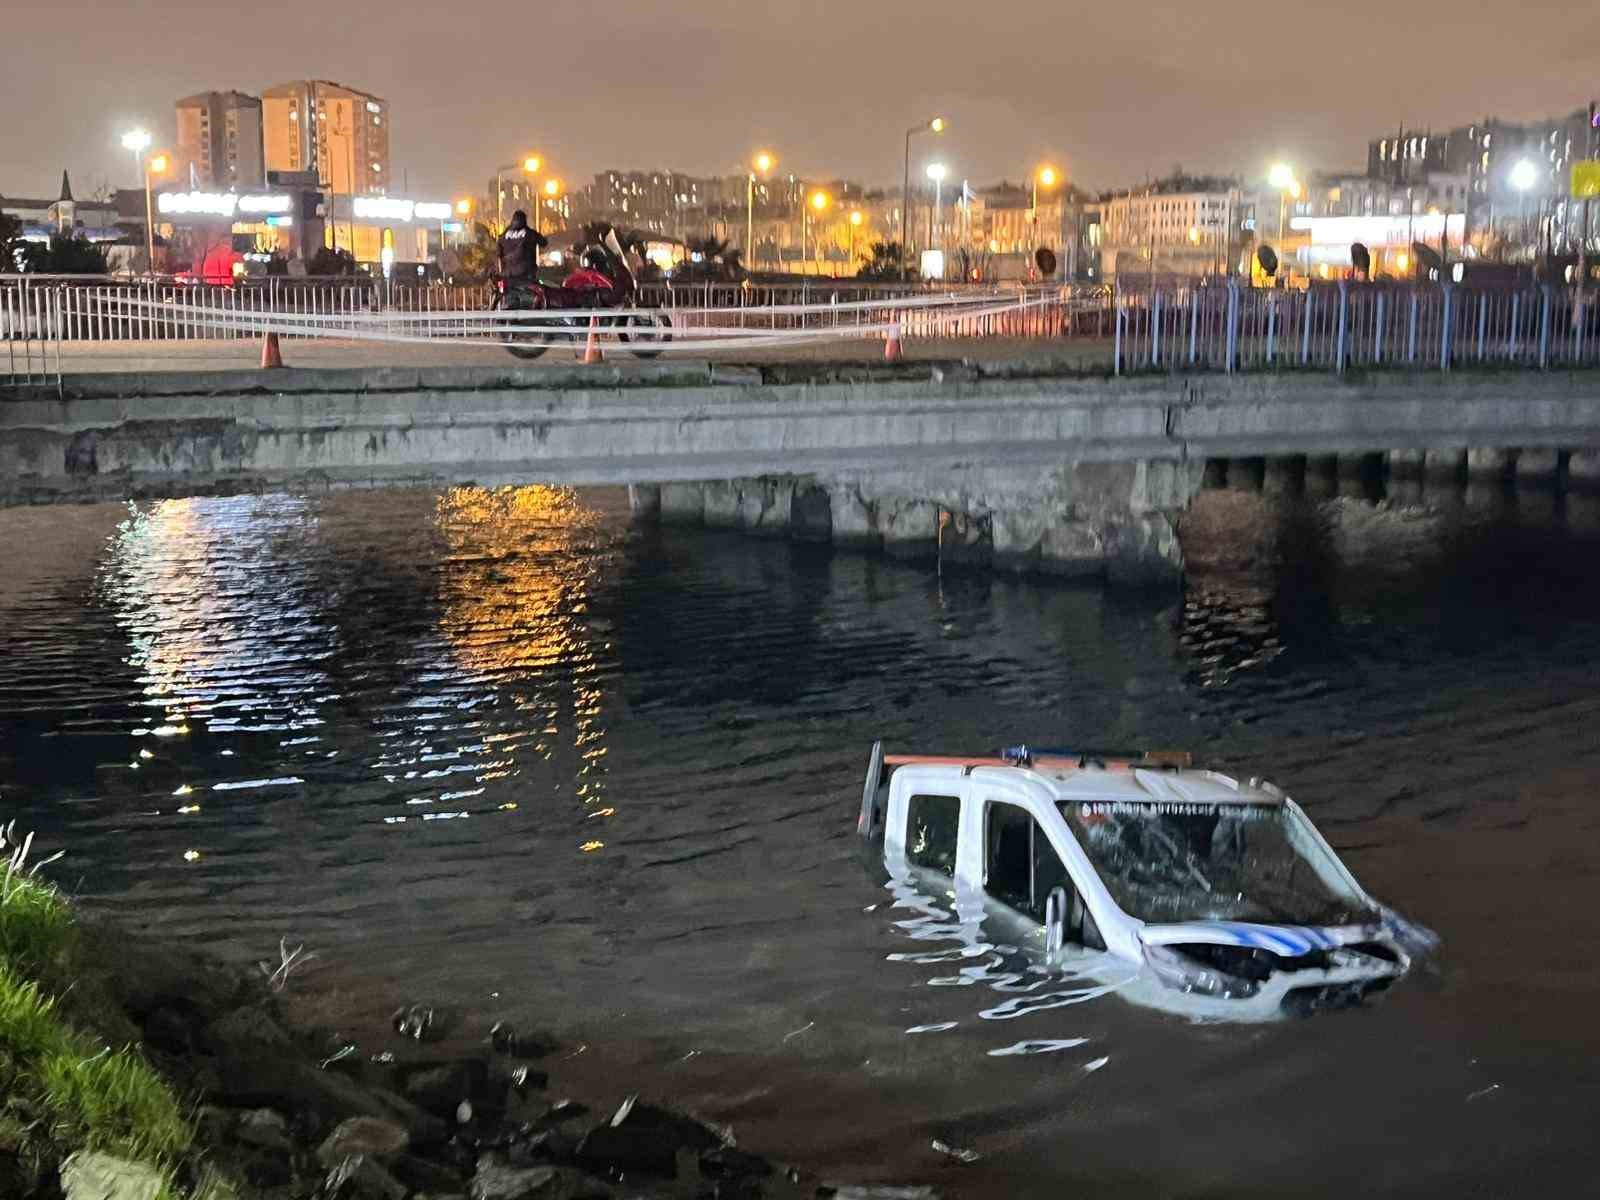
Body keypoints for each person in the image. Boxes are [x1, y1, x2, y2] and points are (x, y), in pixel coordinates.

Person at [497, 210, 546, 283]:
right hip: (526, 274)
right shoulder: (529, 233)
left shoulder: (503, 235)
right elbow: (544, 242)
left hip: (508, 274)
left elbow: (498, 253)